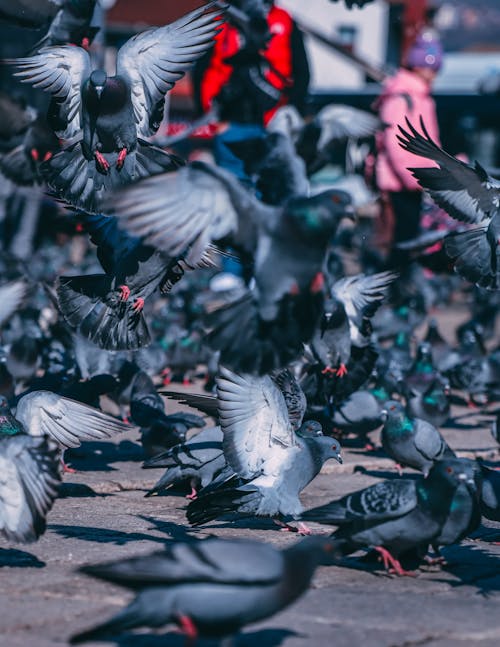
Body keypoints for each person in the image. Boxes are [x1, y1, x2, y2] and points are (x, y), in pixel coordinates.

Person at [193, 0, 310, 182]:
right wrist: (209, 117)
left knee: (268, 190)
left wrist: (290, 114)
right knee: (231, 189)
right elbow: (202, 71)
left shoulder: (285, 20)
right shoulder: (222, 19)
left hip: (271, 123)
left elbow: (302, 73)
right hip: (230, 122)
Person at [373, 28, 443, 268]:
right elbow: (397, 145)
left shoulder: (422, 97)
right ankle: (393, 293)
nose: (433, 73)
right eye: (429, 66)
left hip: (414, 181)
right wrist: (416, 177)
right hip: (401, 183)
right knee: (402, 242)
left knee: (409, 241)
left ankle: (400, 293)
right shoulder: (402, 97)